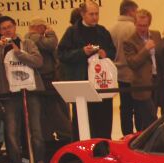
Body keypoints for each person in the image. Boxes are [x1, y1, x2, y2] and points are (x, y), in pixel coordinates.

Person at [0, 16, 46, 163]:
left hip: (30, 91)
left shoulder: (27, 43)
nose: (7, 30)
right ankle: (16, 162)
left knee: (36, 129)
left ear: (15, 27)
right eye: (4, 28)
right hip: (9, 94)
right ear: (0, 31)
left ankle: (39, 159)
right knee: (11, 130)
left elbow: (39, 62)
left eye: (10, 27)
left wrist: (20, 54)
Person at [58, 0, 116, 139]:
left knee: (103, 121)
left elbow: (113, 51)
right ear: (83, 14)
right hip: (82, 83)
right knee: (83, 121)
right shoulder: (72, 32)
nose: (95, 17)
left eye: (97, 14)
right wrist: (82, 52)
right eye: (91, 14)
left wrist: (105, 54)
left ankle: (104, 149)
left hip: (102, 83)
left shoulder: (102, 31)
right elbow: (61, 54)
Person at [25, 18, 72, 143]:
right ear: (39, 27)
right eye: (44, 27)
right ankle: (66, 134)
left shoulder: (34, 39)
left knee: (52, 111)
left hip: (48, 79)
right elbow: (51, 44)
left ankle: (56, 136)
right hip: (45, 80)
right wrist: (51, 33)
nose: (46, 30)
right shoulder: (33, 37)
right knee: (55, 111)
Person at [124, 9, 159, 130]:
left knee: (154, 114)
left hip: (157, 80)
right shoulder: (129, 41)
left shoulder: (156, 35)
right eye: (139, 25)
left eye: (145, 25)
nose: (142, 28)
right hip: (141, 85)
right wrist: (145, 49)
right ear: (135, 23)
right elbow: (133, 63)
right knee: (149, 118)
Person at [110, 0, 139, 136]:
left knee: (125, 108)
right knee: (138, 107)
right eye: (136, 11)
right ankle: (139, 136)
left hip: (119, 74)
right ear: (130, 11)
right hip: (133, 73)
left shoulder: (112, 29)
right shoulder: (133, 28)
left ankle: (126, 135)